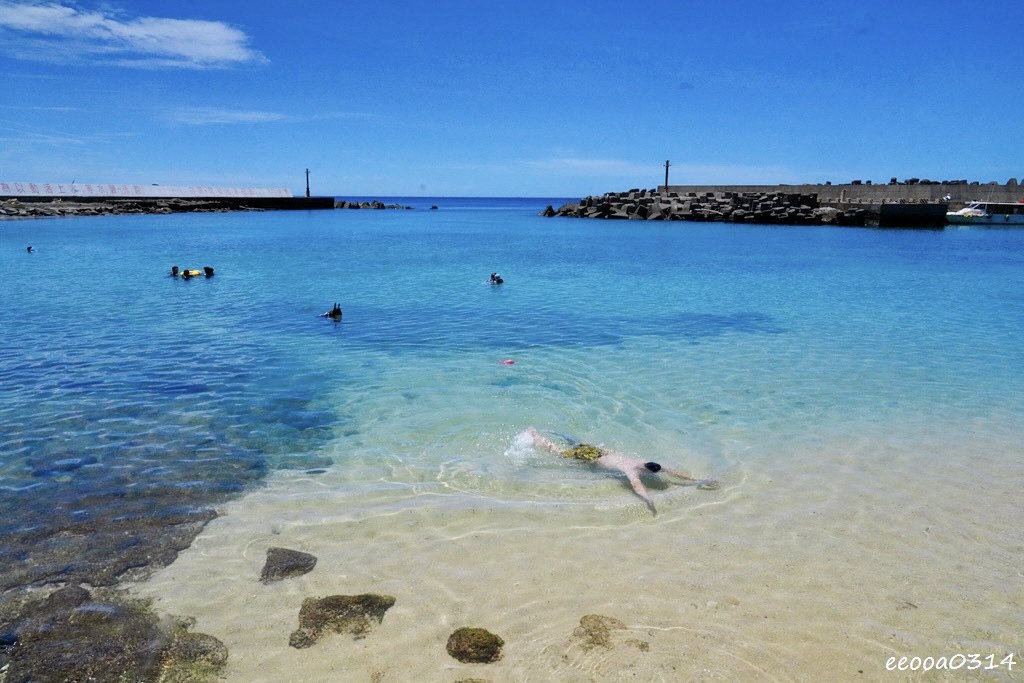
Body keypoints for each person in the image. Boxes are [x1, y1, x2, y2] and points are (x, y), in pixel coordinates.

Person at [526, 427, 718, 513]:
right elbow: (637, 486)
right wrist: (648, 500)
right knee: (558, 453)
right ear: (648, 470)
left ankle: (557, 432)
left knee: (575, 442)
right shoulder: (631, 469)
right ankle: (535, 435)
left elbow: (674, 471)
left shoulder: (646, 463)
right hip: (591, 457)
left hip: (600, 451)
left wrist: (698, 480)